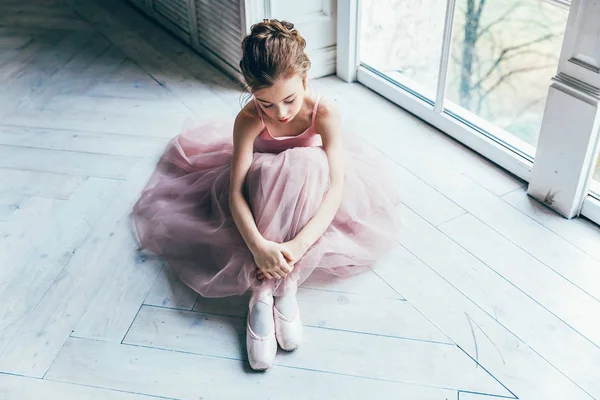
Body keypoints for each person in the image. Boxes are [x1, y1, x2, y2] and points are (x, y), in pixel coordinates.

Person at [133, 19, 401, 371]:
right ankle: (261, 293)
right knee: (266, 171)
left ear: (305, 80)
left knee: (308, 163)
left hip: (307, 194)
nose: (281, 113)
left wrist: (297, 246)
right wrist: (259, 247)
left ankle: (283, 284)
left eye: (289, 99)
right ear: (250, 91)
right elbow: (235, 194)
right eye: (266, 103)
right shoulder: (247, 119)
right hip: (258, 194)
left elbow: (336, 188)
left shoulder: (325, 113)